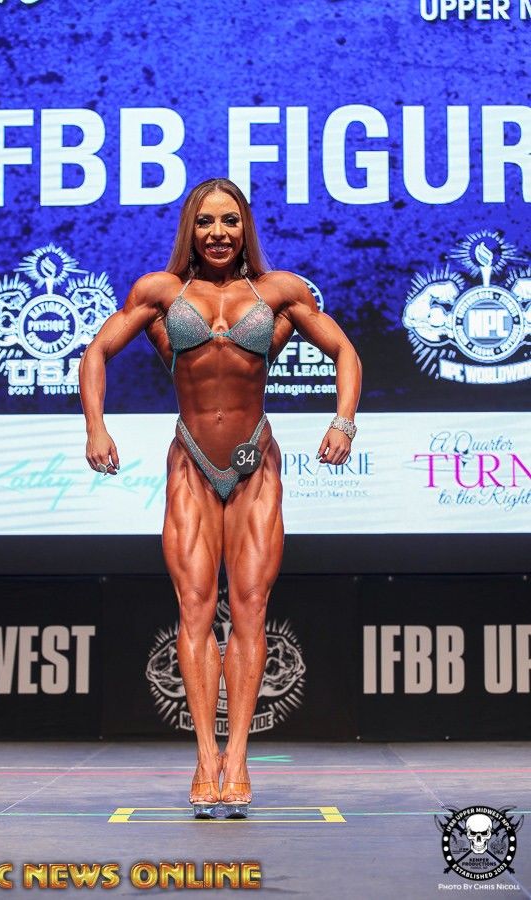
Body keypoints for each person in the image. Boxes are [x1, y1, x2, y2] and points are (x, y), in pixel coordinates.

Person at [79, 178, 362, 818]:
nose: (217, 233)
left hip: (255, 463)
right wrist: (96, 426)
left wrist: (343, 422)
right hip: (191, 462)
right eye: (205, 221)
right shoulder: (161, 292)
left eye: (229, 221)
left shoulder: (278, 291)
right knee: (195, 610)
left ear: (245, 227)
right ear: (191, 228)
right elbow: (97, 351)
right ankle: (205, 758)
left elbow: (344, 350)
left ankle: (238, 760)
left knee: (252, 609)